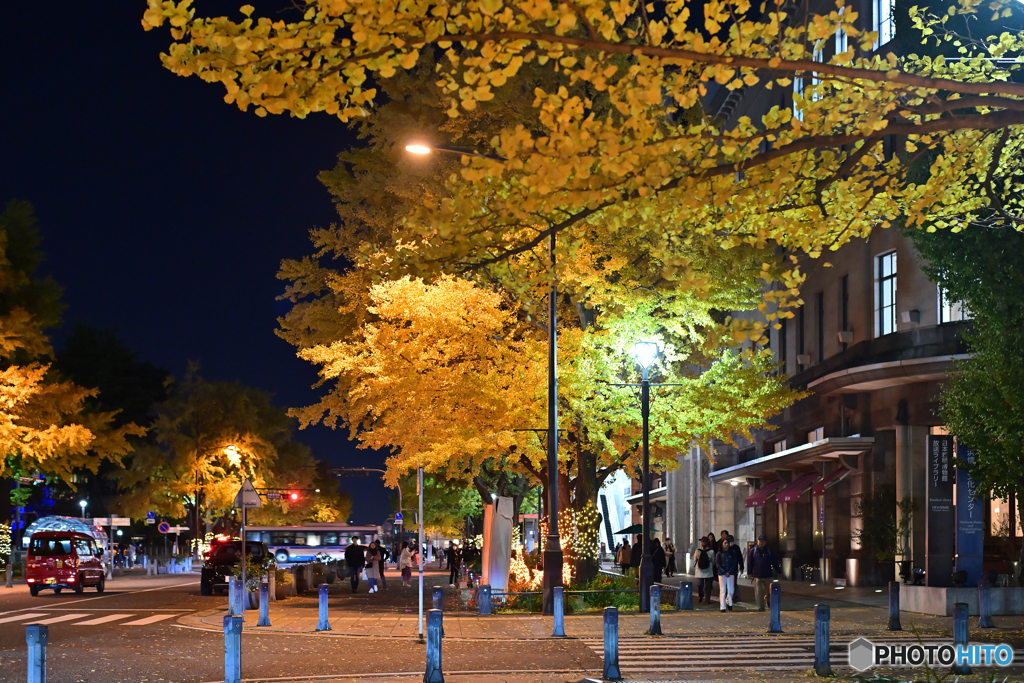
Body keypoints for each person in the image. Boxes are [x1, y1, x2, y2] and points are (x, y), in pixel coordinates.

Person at [746, 534, 782, 611]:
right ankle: (760, 606)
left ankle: (767, 599)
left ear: (765, 542)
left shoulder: (769, 550)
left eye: (762, 541)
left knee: (770, 590)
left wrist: (778, 571)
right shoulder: (753, 551)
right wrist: (749, 573)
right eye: (759, 541)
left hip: (767, 574)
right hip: (757, 575)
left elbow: (774, 561)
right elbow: (750, 563)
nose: (760, 543)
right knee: (758, 592)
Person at [716, 537, 738, 612]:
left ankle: (729, 601)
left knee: (731, 590)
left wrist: (730, 571)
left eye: (727, 543)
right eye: (725, 543)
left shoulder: (732, 553)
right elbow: (718, 564)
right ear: (722, 544)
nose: (726, 545)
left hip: (731, 573)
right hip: (722, 574)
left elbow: (735, 562)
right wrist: (724, 572)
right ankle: (722, 607)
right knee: (723, 590)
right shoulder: (719, 553)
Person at [693, 537, 715, 604]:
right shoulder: (697, 551)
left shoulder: (711, 551)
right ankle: (701, 595)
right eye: (701, 542)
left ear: (707, 543)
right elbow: (713, 561)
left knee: (707, 586)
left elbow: (713, 561)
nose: (702, 543)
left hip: (707, 570)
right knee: (700, 585)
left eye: (703, 542)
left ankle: (707, 599)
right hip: (701, 571)